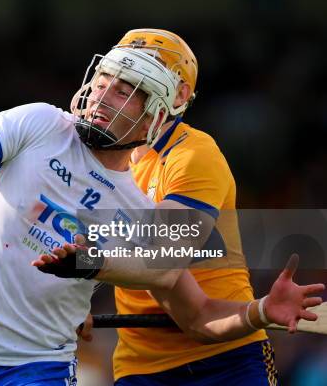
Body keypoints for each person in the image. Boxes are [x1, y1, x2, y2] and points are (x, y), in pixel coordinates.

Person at [0, 41, 322, 386]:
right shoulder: (38, 123)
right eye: (100, 81)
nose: (99, 94)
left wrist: (260, 311)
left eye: (121, 91)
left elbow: (192, 307)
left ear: (155, 114)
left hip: (41, 365)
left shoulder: (144, 204)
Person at [105, 29, 280, 385]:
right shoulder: (101, 160)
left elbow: (161, 260)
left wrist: (82, 263)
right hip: (141, 365)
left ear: (178, 94)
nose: (113, 92)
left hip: (226, 359)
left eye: (138, 77)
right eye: (114, 77)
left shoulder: (194, 155)